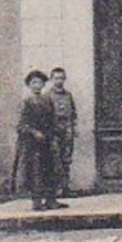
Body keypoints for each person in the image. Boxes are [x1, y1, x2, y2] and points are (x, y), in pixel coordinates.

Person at [14, 70, 62, 211]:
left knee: (51, 169)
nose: (37, 85)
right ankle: (36, 202)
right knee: (36, 171)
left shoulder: (47, 99)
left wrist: (54, 135)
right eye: (34, 82)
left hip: (47, 140)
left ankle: (51, 200)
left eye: (40, 82)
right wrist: (34, 132)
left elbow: (53, 119)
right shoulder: (26, 101)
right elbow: (21, 125)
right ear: (29, 85)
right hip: (32, 144)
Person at [44, 66, 77, 198]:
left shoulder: (68, 95)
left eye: (62, 78)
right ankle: (55, 190)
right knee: (54, 159)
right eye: (56, 78)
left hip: (67, 130)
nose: (59, 81)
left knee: (66, 159)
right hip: (54, 131)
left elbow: (73, 112)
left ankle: (65, 188)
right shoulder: (47, 96)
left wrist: (73, 128)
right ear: (51, 79)